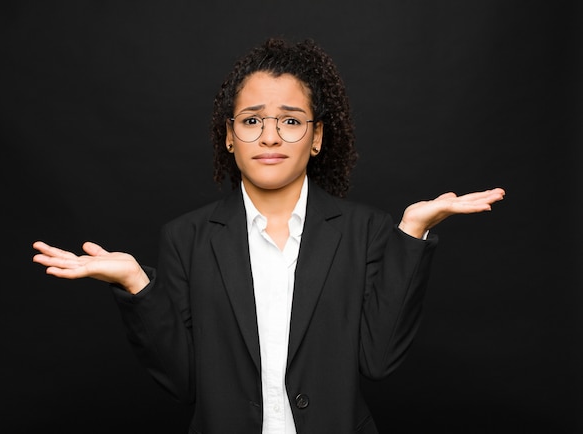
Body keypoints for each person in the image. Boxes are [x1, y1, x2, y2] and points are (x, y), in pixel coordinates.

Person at [32, 38, 505, 434]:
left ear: (317, 137)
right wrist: (138, 285)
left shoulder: (368, 231)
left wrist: (412, 232)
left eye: (291, 121)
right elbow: (184, 384)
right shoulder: (187, 238)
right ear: (229, 136)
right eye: (253, 120)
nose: (271, 136)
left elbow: (378, 362)